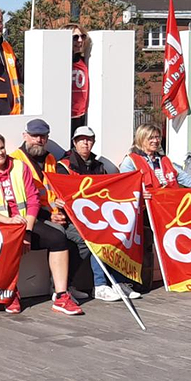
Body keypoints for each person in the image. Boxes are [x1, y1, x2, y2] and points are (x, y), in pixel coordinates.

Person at [0, 131, 83, 316]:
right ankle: (10, 292)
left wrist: (27, 230)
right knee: (6, 244)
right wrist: (9, 221)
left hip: (27, 222)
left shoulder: (20, 166)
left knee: (58, 238)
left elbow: (33, 200)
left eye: (2, 148)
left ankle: (61, 295)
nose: (0, 153)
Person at [56, 126, 140, 303]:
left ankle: (118, 281)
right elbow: (57, 193)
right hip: (72, 220)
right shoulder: (63, 165)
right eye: (81, 140)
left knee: (117, 232)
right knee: (94, 237)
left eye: (89, 140)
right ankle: (100, 285)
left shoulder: (99, 166)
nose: (85, 143)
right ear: (74, 143)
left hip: (97, 217)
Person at [10, 119, 89, 303]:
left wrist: (60, 211)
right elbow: (22, 199)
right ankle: (58, 290)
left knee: (84, 238)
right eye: (34, 135)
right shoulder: (15, 160)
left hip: (55, 213)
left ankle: (65, 284)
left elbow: (56, 190)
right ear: (25, 136)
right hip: (31, 217)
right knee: (59, 234)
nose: (38, 140)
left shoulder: (52, 159)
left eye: (43, 136)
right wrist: (50, 215)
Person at [119, 123, 191, 191]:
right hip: (145, 211)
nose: (155, 141)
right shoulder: (130, 161)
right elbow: (127, 188)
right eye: (151, 138)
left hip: (168, 206)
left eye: (157, 137)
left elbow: (187, 179)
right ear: (141, 139)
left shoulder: (164, 160)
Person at [68, 24, 90, 133]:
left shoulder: (84, 61)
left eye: (83, 37)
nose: (80, 40)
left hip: (81, 116)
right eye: (75, 37)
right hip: (65, 116)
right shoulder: (60, 62)